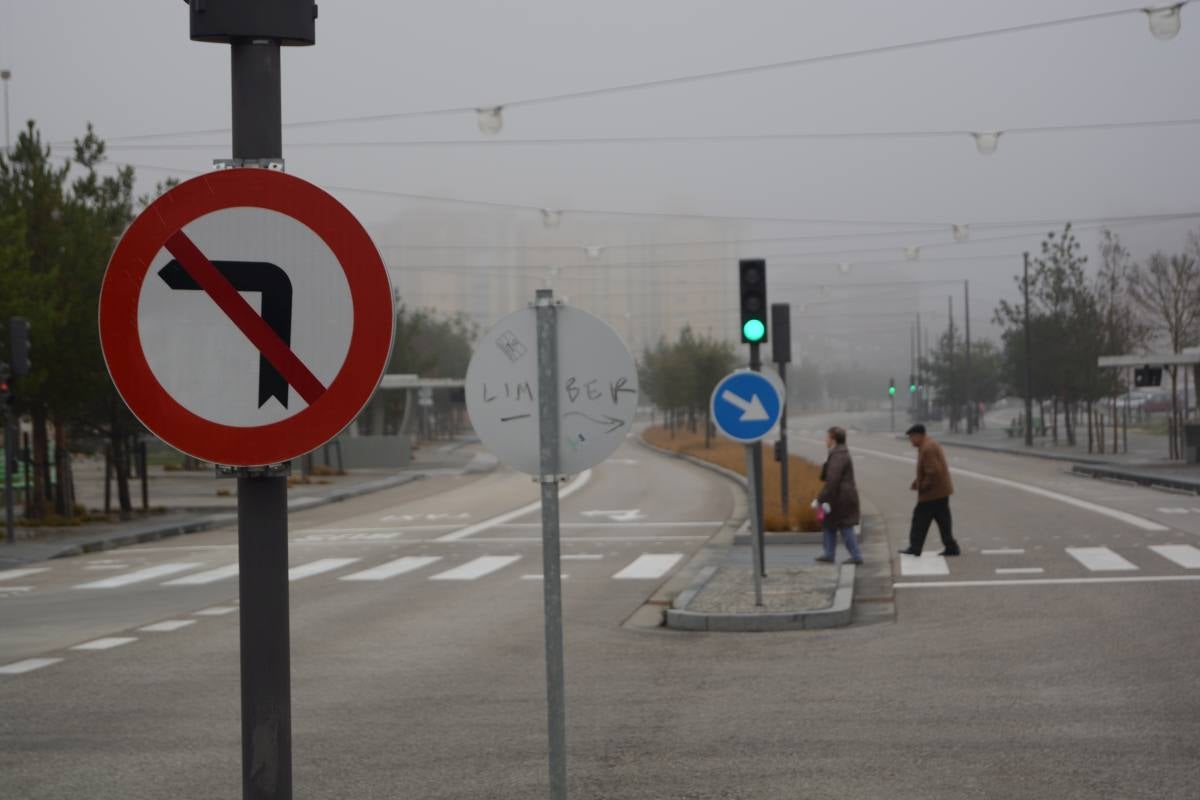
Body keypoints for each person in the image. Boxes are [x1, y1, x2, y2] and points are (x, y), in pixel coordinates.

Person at [898, 423, 961, 557]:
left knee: (919, 520)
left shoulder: (928, 448)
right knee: (943, 520)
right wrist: (918, 481)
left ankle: (915, 547)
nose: (910, 441)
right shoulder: (927, 445)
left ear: (919, 436)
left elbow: (933, 471)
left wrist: (923, 485)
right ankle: (951, 546)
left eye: (911, 437)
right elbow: (929, 470)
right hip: (941, 491)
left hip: (932, 493)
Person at [815, 426, 863, 565]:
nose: (825, 440)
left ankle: (856, 555)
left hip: (840, 498)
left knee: (845, 526)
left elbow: (833, 480)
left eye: (827, 437)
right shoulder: (837, 453)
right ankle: (829, 553)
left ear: (833, 439)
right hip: (839, 497)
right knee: (829, 524)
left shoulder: (838, 455)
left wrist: (823, 498)